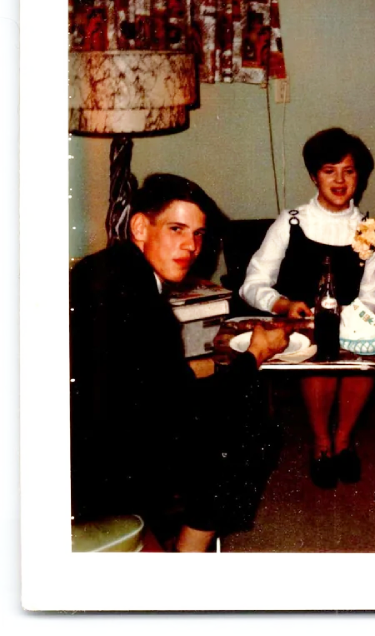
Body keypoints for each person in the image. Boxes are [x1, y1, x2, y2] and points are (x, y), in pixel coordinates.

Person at [70, 174, 290, 553]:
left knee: (227, 398)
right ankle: (187, 559)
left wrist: (215, 366)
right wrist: (255, 355)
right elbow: (178, 405)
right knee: (250, 427)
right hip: (99, 469)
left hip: (79, 436)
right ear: (140, 227)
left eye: (199, 234)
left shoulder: (104, 269)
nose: (191, 246)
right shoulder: (140, 299)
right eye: (177, 229)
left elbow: (145, 376)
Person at [240, 127, 375, 489]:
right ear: (313, 176)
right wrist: (282, 303)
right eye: (328, 170)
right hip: (295, 329)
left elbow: (372, 297)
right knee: (318, 353)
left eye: (348, 171)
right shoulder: (291, 223)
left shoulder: (370, 230)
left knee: (367, 356)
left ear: (359, 177)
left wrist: (352, 321)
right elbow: (252, 283)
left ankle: (343, 440)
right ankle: (321, 442)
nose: (339, 180)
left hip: (348, 326)